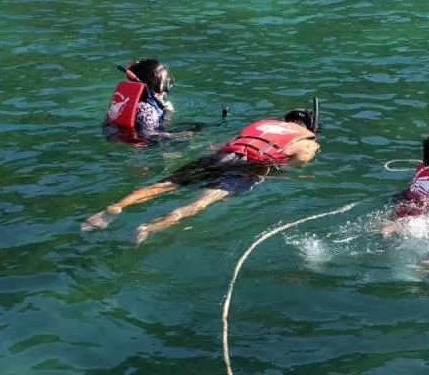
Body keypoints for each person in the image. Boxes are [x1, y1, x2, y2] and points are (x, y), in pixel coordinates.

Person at [83, 105, 321, 243]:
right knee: (200, 202)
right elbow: (299, 159)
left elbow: (227, 143)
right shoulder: (307, 138)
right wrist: (288, 173)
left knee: (166, 184)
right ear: (310, 128)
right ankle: (148, 228)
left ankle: (113, 209)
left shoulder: (264, 123)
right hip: (251, 165)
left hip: (225, 153)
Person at [104, 59, 176, 143]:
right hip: (146, 145)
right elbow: (149, 136)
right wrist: (168, 114)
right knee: (193, 128)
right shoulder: (147, 110)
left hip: (117, 136)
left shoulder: (128, 101)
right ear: (160, 87)